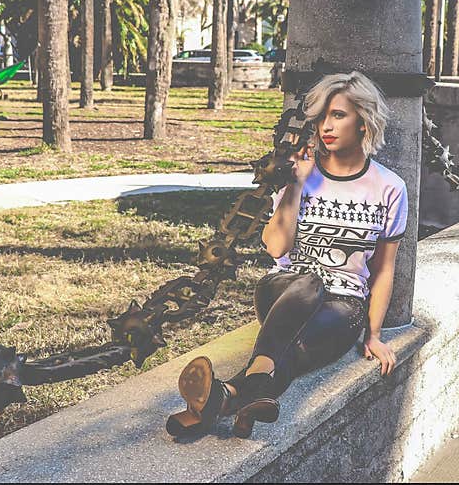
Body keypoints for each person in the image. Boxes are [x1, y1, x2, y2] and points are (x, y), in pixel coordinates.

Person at [166, 71, 408, 439]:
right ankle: (246, 391)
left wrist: (373, 334)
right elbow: (277, 248)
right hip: (282, 289)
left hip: (343, 306)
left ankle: (228, 396)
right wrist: (294, 186)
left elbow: (384, 269)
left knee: (291, 349)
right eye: (321, 116)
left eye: (338, 115)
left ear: (364, 121)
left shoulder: (390, 187)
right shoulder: (298, 176)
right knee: (309, 281)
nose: (326, 126)